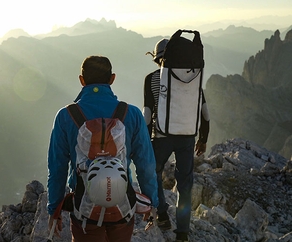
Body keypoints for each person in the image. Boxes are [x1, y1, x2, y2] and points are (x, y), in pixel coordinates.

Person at [47, 55, 159, 242]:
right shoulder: (131, 114)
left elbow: (57, 168)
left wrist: (54, 210)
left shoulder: (65, 116)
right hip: (122, 207)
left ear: (81, 80)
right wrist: (152, 203)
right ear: (112, 79)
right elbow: (146, 165)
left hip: (84, 209)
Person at [144, 39, 210, 242]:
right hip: (187, 137)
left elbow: (147, 113)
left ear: (157, 59)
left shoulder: (152, 79)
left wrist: (145, 141)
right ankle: (182, 233)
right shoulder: (192, 77)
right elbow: (205, 113)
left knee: (153, 172)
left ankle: (162, 213)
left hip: (161, 136)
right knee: (185, 184)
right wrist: (203, 138)